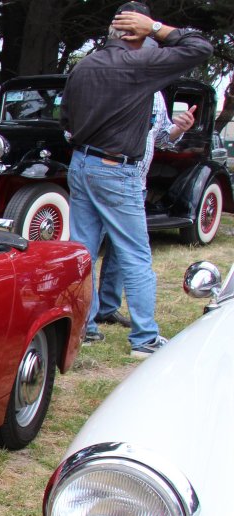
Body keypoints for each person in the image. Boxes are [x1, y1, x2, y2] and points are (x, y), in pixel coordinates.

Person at [60, 2, 211, 357]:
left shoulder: (84, 66)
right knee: (135, 254)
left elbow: (65, 119)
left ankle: (85, 326)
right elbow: (200, 47)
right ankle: (144, 339)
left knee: (82, 252)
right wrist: (156, 26)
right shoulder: (138, 65)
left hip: (81, 164)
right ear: (137, 34)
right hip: (116, 169)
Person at [95, 61, 196, 330]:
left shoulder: (154, 95)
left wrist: (180, 127)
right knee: (91, 247)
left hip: (136, 182)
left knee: (121, 250)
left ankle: (106, 308)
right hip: (108, 175)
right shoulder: (109, 86)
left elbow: (163, 136)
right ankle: (88, 315)